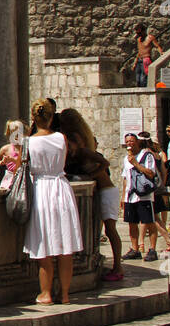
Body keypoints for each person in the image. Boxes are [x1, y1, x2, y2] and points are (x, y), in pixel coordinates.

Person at [23, 99, 82, 304]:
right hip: (61, 188)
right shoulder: (61, 138)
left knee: (44, 244)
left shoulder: (29, 141)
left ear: (33, 117)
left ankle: (45, 292)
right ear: (51, 117)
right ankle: (64, 294)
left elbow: (25, 166)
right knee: (64, 244)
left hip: (41, 188)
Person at [60, 108, 123, 282]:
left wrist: (95, 175)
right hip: (101, 192)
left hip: (107, 191)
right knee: (100, 230)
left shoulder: (83, 151)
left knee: (111, 230)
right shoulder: (79, 152)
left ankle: (118, 267)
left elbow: (105, 163)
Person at [120, 133, 158, 262]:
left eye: (132, 141)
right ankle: (135, 249)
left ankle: (152, 249)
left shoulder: (146, 156)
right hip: (130, 196)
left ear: (137, 142)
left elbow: (151, 173)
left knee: (149, 222)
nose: (130, 143)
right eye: (127, 141)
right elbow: (125, 178)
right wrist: (123, 196)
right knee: (132, 223)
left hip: (144, 195)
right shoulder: (126, 159)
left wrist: (136, 163)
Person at [0, 119, 24, 189]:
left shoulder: (25, 148)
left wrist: (13, 159)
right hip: (10, 178)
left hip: (23, 178)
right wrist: (1, 162)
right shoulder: (5, 149)